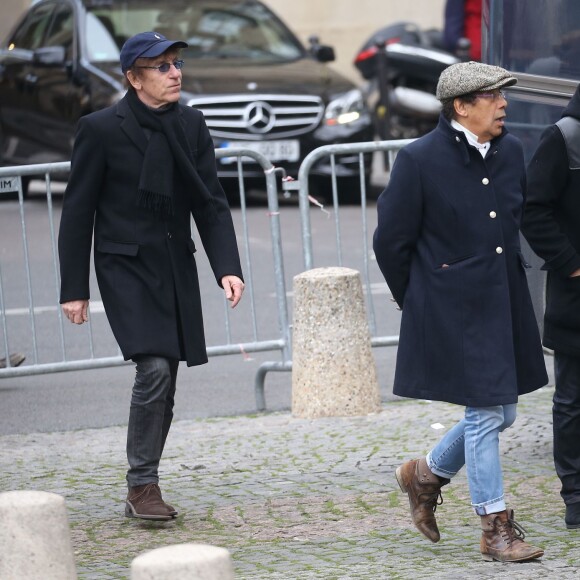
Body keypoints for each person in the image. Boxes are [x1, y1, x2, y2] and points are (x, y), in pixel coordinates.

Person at [58, 31, 244, 521]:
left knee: (167, 380)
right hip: (124, 265)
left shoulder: (190, 122)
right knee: (155, 368)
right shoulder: (100, 129)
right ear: (133, 78)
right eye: (160, 66)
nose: (174, 73)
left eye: (176, 63)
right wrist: (73, 289)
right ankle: (142, 485)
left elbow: (210, 201)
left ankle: (145, 478)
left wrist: (226, 266)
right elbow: (77, 213)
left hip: (174, 263)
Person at [373, 61, 548, 562]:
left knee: (502, 411)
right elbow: (391, 240)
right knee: (487, 410)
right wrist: (420, 296)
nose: (504, 104)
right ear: (461, 106)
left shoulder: (511, 150)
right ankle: (495, 528)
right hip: (450, 304)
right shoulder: (419, 159)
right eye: (493, 97)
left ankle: (424, 475)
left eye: (502, 96)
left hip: (503, 299)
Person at [522, 84, 580, 530]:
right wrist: (573, 265)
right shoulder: (563, 136)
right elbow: (534, 210)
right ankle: (577, 499)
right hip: (576, 297)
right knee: (573, 400)